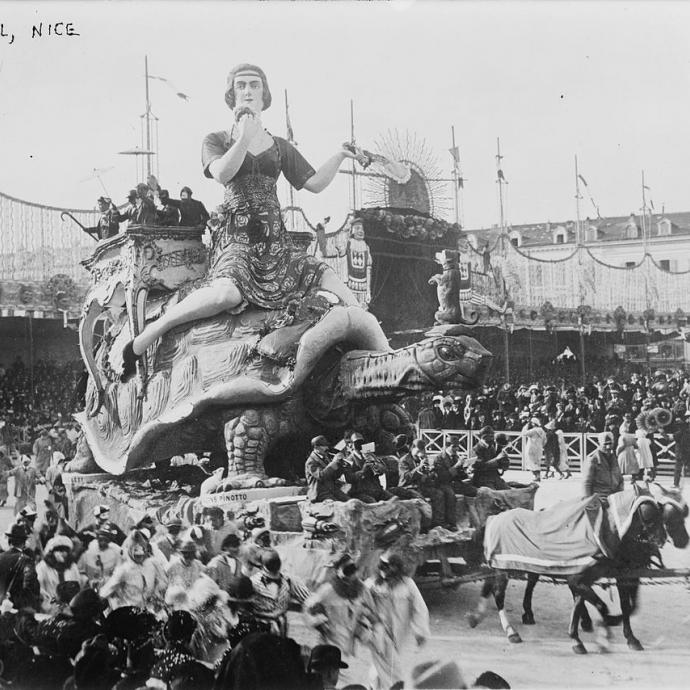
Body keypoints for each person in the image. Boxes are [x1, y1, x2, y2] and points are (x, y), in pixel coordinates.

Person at [121, 63, 389, 379]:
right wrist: (244, 138)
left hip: (275, 240)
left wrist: (341, 155)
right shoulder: (216, 139)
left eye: (254, 85)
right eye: (241, 86)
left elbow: (314, 183)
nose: (248, 91)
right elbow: (222, 173)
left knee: (343, 292)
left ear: (264, 96)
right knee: (226, 296)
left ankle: (386, 361)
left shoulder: (279, 146)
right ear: (232, 96)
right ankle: (147, 337)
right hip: (237, 238)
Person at [304, 553, 376, 682]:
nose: (351, 575)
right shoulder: (327, 590)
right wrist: (319, 623)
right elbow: (309, 608)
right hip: (330, 639)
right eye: (347, 570)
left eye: (353, 570)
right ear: (337, 570)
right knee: (324, 676)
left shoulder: (362, 589)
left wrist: (366, 623)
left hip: (350, 640)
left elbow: (371, 611)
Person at [365, 551, 429, 690]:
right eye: (382, 567)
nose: (384, 572)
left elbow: (420, 608)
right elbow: (360, 603)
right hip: (380, 633)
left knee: (393, 667)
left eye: (388, 568)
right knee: (385, 668)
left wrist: (420, 631)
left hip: (401, 633)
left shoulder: (408, 585)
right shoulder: (372, 584)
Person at [100, 529, 167, 611]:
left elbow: (163, 583)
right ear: (130, 551)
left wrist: (157, 596)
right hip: (133, 611)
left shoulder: (152, 564)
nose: (140, 555)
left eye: (142, 549)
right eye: (135, 551)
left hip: (152, 609)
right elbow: (107, 589)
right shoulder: (124, 570)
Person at [250, 549, 310, 635]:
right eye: (271, 563)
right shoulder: (253, 582)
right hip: (260, 627)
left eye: (276, 562)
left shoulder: (290, 580)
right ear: (263, 566)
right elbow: (245, 606)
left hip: (281, 627)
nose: (275, 566)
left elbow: (309, 601)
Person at [36, 535, 82, 615]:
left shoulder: (72, 567)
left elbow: (78, 586)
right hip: (49, 608)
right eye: (59, 551)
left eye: (65, 551)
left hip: (70, 608)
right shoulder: (42, 567)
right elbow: (39, 589)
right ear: (52, 552)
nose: (63, 554)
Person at [0, 523, 40, 610]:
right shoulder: (26, 560)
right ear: (24, 543)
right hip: (15, 608)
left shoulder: (0, 557)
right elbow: (31, 586)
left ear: (9, 541)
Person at [305, 435, 349, 503]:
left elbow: (334, 476)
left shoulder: (326, 457)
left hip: (332, 490)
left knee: (349, 501)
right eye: (324, 446)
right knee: (338, 505)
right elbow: (321, 476)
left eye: (327, 446)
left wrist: (341, 466)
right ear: (316, 447)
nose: (327, 448)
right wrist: (333, 463)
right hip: (319, 492)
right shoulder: (311, 462)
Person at [78, 524, 122, 590]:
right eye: (101, 540)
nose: (103, 542)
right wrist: (87, 581)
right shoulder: (89, 550)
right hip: (90, 586)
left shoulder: (115, 552)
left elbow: (118, 571)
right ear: (97, 539)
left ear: (109, 541)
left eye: (106, 540)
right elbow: (81, 571)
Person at [584, 432, 624, 499]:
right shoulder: (593, 460)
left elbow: (620, 480)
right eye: (605, 444)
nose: (608, 447)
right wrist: (591, 501)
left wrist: (620, 495)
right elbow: (587, 484)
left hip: (614, 497)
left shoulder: (614, 459)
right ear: (599, 444)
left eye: (610, 443)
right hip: (599, 498)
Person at [471, 426, 510, 491]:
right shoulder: (476, 449)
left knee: (509, 492)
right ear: (484, 437)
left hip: (495, 477)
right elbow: (479, 467)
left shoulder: (491, 447)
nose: (493, 439)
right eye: (491, 436)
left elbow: (498, 464)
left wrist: (504, 463)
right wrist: (497, 459)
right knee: (494, 494)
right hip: (482, 479)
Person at [521, 417, 546, 482]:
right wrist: (541, 446)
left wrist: (526, 425)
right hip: (539, 448)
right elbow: (545, 441)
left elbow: (524, 433)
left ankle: (536, 476)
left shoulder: (533, 430)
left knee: (531, 462)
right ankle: (538, 476)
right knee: (537, 462)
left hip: (531, 448)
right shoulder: (542, 431)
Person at [672, 411, 690, 488]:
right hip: (685, 450)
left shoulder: (681, 430)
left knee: (678, 468)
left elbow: (673, 438)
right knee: (679, 467)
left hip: (682, 451)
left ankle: (676, 483)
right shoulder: (683, 429)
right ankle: (676, 483)